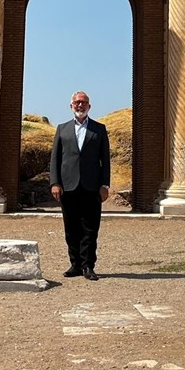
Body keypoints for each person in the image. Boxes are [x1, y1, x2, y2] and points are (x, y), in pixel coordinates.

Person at [49, 90, 111, 280]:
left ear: (89, 106)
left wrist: (105, 185)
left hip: (92, 186)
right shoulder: (62, 129)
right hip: (68, 186)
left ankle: (88, 266)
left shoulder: (99, 129)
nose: (80, 105)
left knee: (90, 228)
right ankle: (74, 264)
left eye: (83, 102)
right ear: (71, 106)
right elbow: (55, 158)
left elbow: (105, 160)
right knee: (71, 227)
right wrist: (55, 182)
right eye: (77, 102)